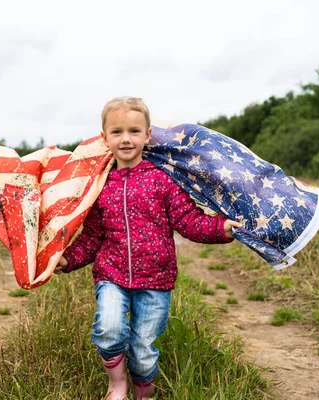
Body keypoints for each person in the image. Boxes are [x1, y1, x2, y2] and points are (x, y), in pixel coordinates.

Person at [55, 96, 242, 400]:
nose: (125, 139)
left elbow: (188, 221)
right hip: (111, 275)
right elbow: (92, 237)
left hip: (156, 279)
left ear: (147, 135)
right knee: (109, 329)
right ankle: (117, 385)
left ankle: (145, 389)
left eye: (133, 131)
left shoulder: (163, 180)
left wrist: (219, 228)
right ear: (105, 138)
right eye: (117, 132)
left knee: (142, 350)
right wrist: (69, 259)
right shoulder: (99, 185)